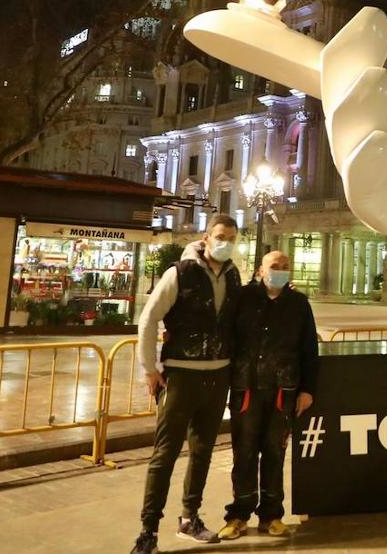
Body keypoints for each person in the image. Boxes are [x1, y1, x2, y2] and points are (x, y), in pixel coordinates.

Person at [130, 214, 242, 554]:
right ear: (206, 237)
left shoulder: (234, 276)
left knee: (203, 450)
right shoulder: (180, 273)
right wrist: (149, 368)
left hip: (218, 374)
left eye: (231, 238)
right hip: (181, 374)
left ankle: (189, 517)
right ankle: (148, 530)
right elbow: (148, 319)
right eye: (220, 236)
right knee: (165, 454)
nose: (225, 243)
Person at [217, 251, 319, 539]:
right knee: (244, 454)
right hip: (246, 388)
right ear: (261, 271)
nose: (281, 271)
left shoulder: (299, 304)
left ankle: (272, 515)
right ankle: (238, 514)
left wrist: (307, 389)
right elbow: (225, 335)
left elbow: (309, 348)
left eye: (285, 267)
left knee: (275, 453)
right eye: (275, 267)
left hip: (282, 392)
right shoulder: (242, 298)